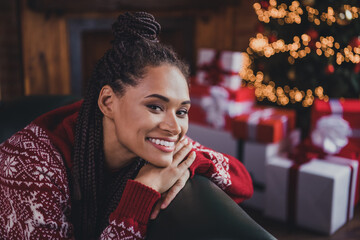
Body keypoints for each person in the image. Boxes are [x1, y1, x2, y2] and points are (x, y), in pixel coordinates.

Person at [0, 12, 253, 239]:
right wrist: (143, 192)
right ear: (108, 102)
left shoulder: (152, 138)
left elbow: (241, 180)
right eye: (155, 107)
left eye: (182, 111)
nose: (174, 126)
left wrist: (187, 163)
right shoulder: (29, 164)